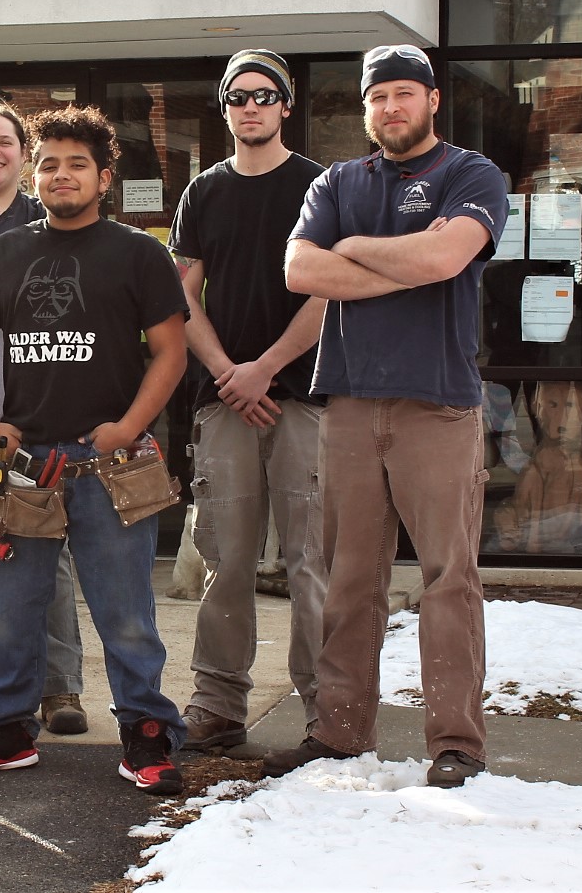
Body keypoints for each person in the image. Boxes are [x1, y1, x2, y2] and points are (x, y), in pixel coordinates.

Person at [265, 44, 508, 788]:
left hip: (436, 405)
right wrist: (401, 259)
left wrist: (358, 251)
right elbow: (299, 269)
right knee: (346, 576)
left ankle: (454, 742)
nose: (390, 108)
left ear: (432, 100)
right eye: (377, 98)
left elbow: (445, 260)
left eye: (404, 93)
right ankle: (339, 730)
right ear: (365, 107)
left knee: (446, 578)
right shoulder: (338, 180)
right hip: (346, 402)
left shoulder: (469, 174)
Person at [0, 105, 189, 794]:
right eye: (47, 162)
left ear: (103, 177)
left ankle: (145, 735)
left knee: (126, 615)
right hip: (28, 467)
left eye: (75, 163)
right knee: (13, 609)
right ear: (32, 170)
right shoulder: (4, 253)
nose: (59, 174)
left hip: (113, 465)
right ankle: (4, 731)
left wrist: (129, 425)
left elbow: (169, 351)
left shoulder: (139, 254)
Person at [167, 51, 328, 752]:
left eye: (265, 95)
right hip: (222, 401)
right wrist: (229, 371)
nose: (251, 106)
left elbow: (330, 290)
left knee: (310, 562)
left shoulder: (321, 186)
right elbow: (180, 295)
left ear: (285, 105)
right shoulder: (203, 192)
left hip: (304, 399)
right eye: (238, 96)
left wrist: (266, 366)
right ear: (224, 107)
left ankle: (329, 709)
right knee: (225, 560)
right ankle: (216, 705)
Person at [0, 100, 89, 735]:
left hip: (31, 421)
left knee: (49, 562)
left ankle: (61, 689)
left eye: (6, 141)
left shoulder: (47, 225)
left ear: (24, 157)